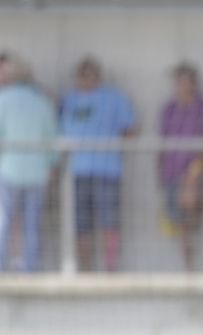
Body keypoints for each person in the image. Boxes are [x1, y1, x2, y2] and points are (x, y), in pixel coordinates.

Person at [58, 56, 136, 272]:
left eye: (90, 75)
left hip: (107, 171)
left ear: (99, 76)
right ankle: (85, 268)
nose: (85, 80)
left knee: (109, 222)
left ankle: (110, 268)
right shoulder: (69, 100)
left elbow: (130, 130)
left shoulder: (113, 98)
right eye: (82, 75)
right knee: (80, 225)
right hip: (76, 172)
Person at [157, 63, 203, 272]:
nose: (182, 86)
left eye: (186, 81)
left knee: (190, 208)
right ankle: (188, 268)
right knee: (180, 221)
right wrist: (161, 174)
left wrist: (195, 171)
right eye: (179, 81)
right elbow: (163, 143)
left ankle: (193, 266)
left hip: (197, 173)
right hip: (173, 173)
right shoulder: (169, 109)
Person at [0, 59, 57, 273]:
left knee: (4, 220)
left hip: (8, 169)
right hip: (37, 172)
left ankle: (2, 265)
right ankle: (31, 267)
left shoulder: (3, 100)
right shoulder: (42, 103)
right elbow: (52, 139)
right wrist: (51, 165)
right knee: (32, 223)